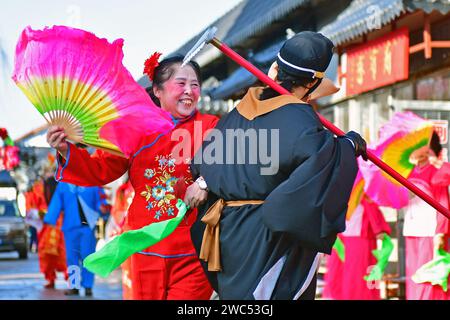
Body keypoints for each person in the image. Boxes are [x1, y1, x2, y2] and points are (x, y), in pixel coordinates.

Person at [185, 31, 366, 300]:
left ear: (275, 69)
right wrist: (348, 146)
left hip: (226, 237)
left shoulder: (234, 115)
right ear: (312, 83)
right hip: (267, 241)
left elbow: (204, 165)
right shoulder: (301, 121)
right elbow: (321, 164)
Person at [46, 55, 218, 300]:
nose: (189, 91)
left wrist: (204, 182)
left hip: (195, 250)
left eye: (195, 84)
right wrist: (65, 151)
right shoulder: (135, 129)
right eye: (181, 83)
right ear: (157, 90)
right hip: (143, 246)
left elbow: (232, 167)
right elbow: (100, 169)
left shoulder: (213, 127)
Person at [402, 131, 449, 299]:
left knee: (428, 279)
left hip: (429, 232)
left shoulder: (436, 170)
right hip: (412, 230)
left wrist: (440, 233)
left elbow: (442, 203)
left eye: (421, 142)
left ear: (429, 147)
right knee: (413, 278)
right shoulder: (408, 172)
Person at [43, 181, 108, 297]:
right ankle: (74, 286)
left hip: (88, 227)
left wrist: (103, 208)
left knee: (88, 257)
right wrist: (50, 218)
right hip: (70, 226)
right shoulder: (64, 184)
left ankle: (88, 286)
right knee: (71, 258)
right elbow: (57, 201)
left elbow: (100, 200)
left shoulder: (92, 181)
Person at [322, 192, 391, 300]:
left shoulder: (364, 182)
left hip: (359, 237)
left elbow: (370, 204)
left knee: (359, 279)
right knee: (339, 277)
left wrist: (379, 228)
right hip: (341, 237)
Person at [37, 159, 68, 289]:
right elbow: (38, 202)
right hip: (49, 223)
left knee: (66, 252)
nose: (49, 173)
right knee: (45, 252)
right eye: (47, 171)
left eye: (51, 170)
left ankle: (73, 281)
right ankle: (50, 278)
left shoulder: (64, 182)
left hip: (64, 222)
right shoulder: (40, 185)